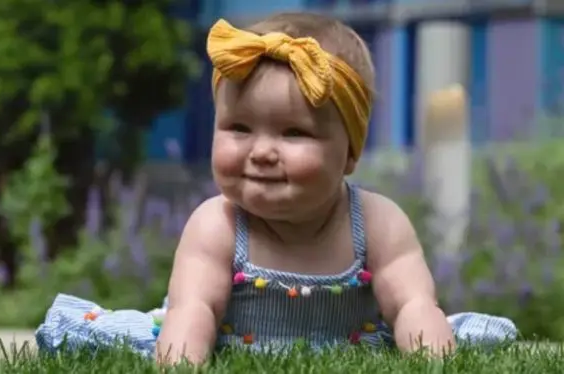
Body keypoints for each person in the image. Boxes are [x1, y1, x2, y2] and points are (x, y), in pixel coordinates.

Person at [34, 12, 517, 365]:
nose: (262, 151)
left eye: (293, 133)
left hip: (353, 339)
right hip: (225, 339)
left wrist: (431, 355)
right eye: (239, 128)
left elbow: (412, 304)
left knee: (455, 331)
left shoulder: (377, 223)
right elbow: (194, 309)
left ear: (349, 153)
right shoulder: (218, 224)